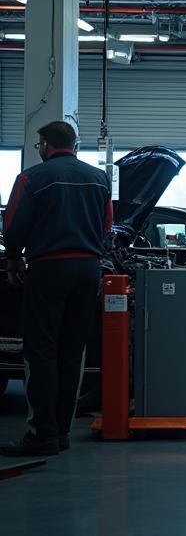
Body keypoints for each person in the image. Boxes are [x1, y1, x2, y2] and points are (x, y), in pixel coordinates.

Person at [1, 122, 112, 457]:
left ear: (46, 144)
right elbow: (107, 227)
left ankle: (42, 433)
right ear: (74, 145)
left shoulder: (31, 178)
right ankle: (61, 431)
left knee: (40, 351)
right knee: (72, 351)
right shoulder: (99, 178)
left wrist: (13, 260)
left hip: (49, 268)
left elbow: (13, 225)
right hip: (88, 270)